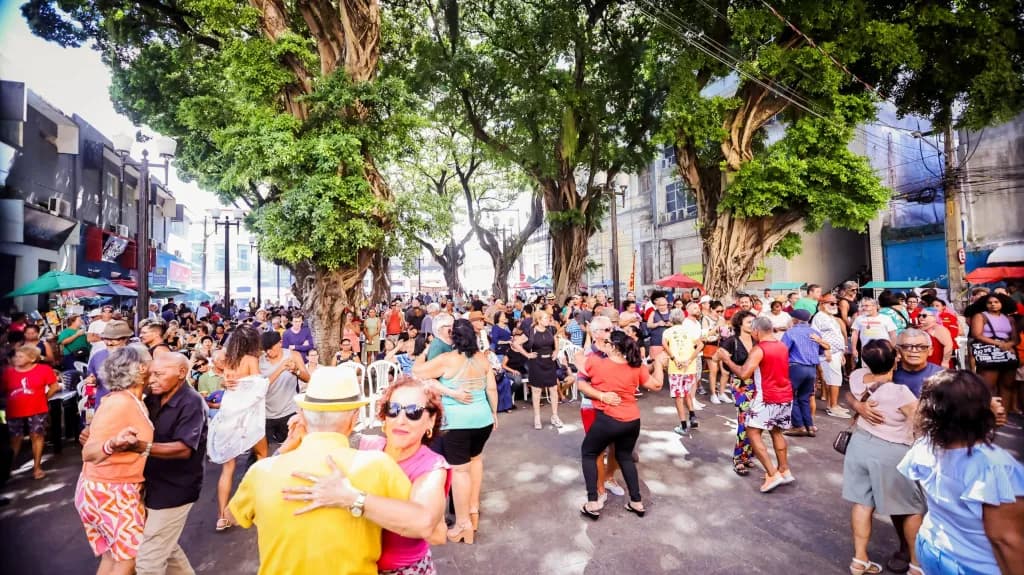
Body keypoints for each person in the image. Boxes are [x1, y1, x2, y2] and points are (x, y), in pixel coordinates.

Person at [225, 366, 413, 575]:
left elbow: (231, 516)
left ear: (302, 416)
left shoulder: (261, 472)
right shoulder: (378, 466)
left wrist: (283, 449)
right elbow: (419, 523)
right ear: (355, 417)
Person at [281, 376, 451, 575]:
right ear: (384, 417)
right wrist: (292, 441)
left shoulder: (432, 467)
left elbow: (424, 523)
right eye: (393, 409)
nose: (401, 420)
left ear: (431, 420)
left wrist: (351, 498)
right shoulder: (363, 445)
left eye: (413, 412)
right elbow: (321, 439)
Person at [898, 370, 1024, 575]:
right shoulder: (995, 466)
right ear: (981, 412)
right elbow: (1005, 540)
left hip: (931, 546)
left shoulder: (924, 445)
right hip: (974, 565)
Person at [413, 319, 498, 544]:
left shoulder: (446, 359)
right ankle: (473, 511)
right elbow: (491, 388)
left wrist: (424, 352)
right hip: (483, 420)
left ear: (453, 336)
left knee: (460, 472)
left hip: (458, 423)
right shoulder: (482, 358)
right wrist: (494, 413)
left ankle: (463, 525)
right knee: (475, 460)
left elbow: (417, 371)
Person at [842, 340, 924, 575]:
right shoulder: (900, 392)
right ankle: (917, 565)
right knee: (911, 507)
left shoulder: (858, 377)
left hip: (859, 445)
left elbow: (848, 394)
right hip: (891, 450)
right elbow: (920, 422)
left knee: (862, 503)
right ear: (895, 360)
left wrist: (858, 405)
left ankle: (859, 560)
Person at [75, 346, 154, 575]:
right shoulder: (120, 402)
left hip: (113, 488)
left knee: (113, 556)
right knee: (131, 559)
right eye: (152, 360)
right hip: (111, 491)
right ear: (142, 368)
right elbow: (88, 452)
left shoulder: (134, 400)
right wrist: (112, 444)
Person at [576, 330, 666, 519]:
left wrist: (601, 396)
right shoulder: (636, 366)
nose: (603, 344)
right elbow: (657, 385)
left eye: (606, 342)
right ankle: (636, 502)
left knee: (589, 453)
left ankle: (593, 502)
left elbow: (581, 380)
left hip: (608, 419)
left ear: (613, 346)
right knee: (624, 457)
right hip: (632, 421)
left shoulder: (596, 362)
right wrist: (658, 362)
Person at [134, 353, 208, 575]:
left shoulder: (192, 402)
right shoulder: (153, 397)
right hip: (153, 483)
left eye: (159, 374)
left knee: (148, 562)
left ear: (181, 373)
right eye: (150, 374)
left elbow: (184, 448)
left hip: (176, 489)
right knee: (165, 545)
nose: (151, 380)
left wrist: (140, 447)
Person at [716, 316, 795, 493]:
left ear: (757, 331)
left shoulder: (759, 349)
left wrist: (726, 360)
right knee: (776, 431)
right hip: (785, 395)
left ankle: (772, 474)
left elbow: (743, 373)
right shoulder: (781, 345)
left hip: (766, 396)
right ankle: (784, 469)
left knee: (752, 432)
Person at [214, 326, 264, 532]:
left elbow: (223, 380)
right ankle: (258, 505)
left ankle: (221, 516)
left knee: (228, 468)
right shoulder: (251, 360)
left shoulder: (226, 361)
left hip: (228, 414)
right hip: (249, 416)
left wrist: (225, 382)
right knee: (262, 457)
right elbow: (259, 389)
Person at [3, 345, 59, 479]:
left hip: (37, 408)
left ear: (32, 359)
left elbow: (54, 386)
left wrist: (43, 398)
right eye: (16, 356)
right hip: (14, 410)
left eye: (21, 356)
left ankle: (37, 467)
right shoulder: (8, 372)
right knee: (15, 439)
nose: (16, 359)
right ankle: (6, 470)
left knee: (37, 435)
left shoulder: (43, 369)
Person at [720, 310, 758, 475]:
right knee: (744, 421)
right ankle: (738, 458)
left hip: (757, 383)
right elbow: (717, 357)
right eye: (749, 322)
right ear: (740, 324)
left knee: (754, 421)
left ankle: (747, 455)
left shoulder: (757, 339)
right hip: (740, 384)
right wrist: (726, 364)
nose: (752, 325)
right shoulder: (731, 341)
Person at [781, 309, 829, 437]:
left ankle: (798, 426)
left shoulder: (790, 332)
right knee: (804, 398)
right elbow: (820, 351)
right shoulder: (815, 333)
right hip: (811, 369)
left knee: (790, 396)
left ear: (795, 320)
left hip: (796, 367)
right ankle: (809, 426)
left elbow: (782, 350)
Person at [259, 330, 309, 446]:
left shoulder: (293, 355)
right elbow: (257, 387)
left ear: (280, 343)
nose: (268, 352)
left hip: (289, 411)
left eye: (271, 348)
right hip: (266, 413)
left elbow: (308, 379)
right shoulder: (259, 360)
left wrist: (296, 371)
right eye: (266, 350)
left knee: (291, 448)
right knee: (267, 451)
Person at [969, 294, 1020, 400]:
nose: (993, 304)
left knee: (1007, 386)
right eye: (990, 302)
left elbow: (1015, 339)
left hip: (1007, 352)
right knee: (987, 387)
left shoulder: (1009, 318)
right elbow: (977, 335)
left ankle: (1004, 411)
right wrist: (999, 344)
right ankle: (989, 410)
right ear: (985, 304)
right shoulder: (980, 316)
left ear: (1003, 303)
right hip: (988, 352)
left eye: (996, 302)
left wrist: (1009, 344)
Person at [664, 306, 703, 435]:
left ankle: (683, 425)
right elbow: (700, 345)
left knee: (678, 396)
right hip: (689, 368)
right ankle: (692, 416)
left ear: (671, 319)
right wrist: (690, 359)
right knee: (687, 393)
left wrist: (674, 358)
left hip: (675, 368)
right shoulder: (689, 331)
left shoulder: (667, 332)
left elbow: (664, 345)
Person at [521, 309, 563, 429]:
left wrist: (556, 351)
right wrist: (527, 354)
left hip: (549, 362)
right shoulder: (531, 331)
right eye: (545, 318)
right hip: (536, 363)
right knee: (536, 391)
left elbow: (556, 343)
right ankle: (537, 417)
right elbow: (516, 343)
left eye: (548, 318)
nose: (548, 320)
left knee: (553, 389)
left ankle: (555, 416)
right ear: (538, 320)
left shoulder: (551, 329)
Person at [813, 294, 851, 418]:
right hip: (829, 353)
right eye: (831, 303)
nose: (835, 306)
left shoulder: (830, 317)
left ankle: (832, 405)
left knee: (832, 379)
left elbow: (837, 335)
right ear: (822, 305)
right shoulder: (820, 317)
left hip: (835, 353)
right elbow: (815, 336)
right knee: (834, 379)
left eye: (835, 303)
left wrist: (841, 351)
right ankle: (833, 406)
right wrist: (824, 349)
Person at [851, 298, 898, 366]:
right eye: (862, 306)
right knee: (866, 370)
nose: (864, 308)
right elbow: (855, 334)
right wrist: (854, 349)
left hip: (883, 352)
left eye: (866, 306)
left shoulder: (886, 318)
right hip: (866, 353)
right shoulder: (859, 319)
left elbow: (893, 335)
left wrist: (891, 349)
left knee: (883, 370)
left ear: (875, 306)